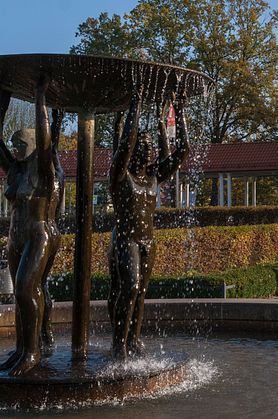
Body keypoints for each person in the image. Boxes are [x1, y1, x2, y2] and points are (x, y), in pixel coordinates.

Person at [108, 83, 190, 360]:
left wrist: (179, 110)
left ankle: (134, 339)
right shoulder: (120, 177)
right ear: (131, 151)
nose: (148, 150)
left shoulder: (154, 176)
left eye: (150, 147)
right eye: (141, 147)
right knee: (129, 287)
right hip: (126, 239)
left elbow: (183, 149)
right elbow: (127, 138)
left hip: (148, 240)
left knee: (141, 291)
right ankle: (118, 343)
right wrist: (135, 103)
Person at [0, 77, 62, 376]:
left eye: (20, 143)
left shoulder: (44, 169)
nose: (14, 146)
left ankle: (34, 351)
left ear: (36, 145)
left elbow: (45, 137)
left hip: (40, 233)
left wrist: (40, 98)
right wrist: (5, 94)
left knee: (27, 289)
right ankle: (22, 348)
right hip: (16, 235)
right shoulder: (15, 168)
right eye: (14, 143)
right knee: (18, 294)